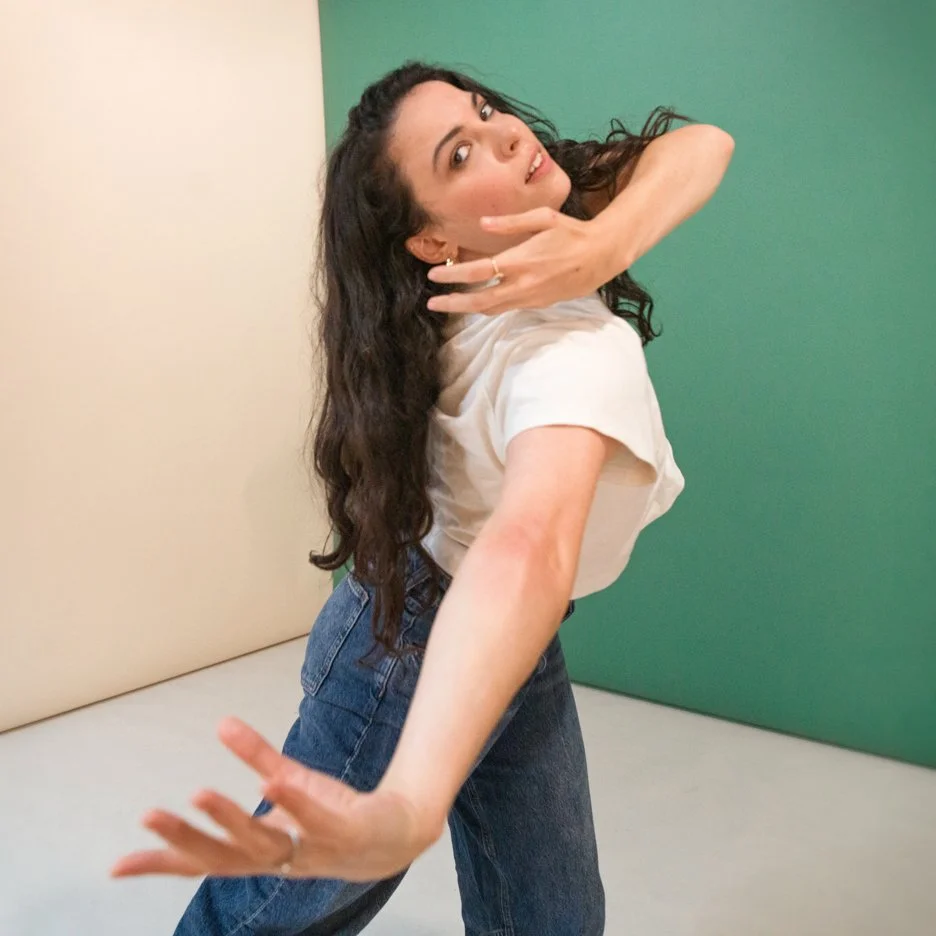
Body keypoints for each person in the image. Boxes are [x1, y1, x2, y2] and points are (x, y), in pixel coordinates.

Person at [110, 60, 734, 934]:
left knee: (552, 918)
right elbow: (527, 546)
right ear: (432, 240)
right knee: (266, 913)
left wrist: (605, 244)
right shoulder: (569, 355)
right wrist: (410, 801)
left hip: (494, 637)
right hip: (405, 645)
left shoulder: (500, 246)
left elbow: (705, 144)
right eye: (458, 154)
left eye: (484, 110)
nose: (507, 134)